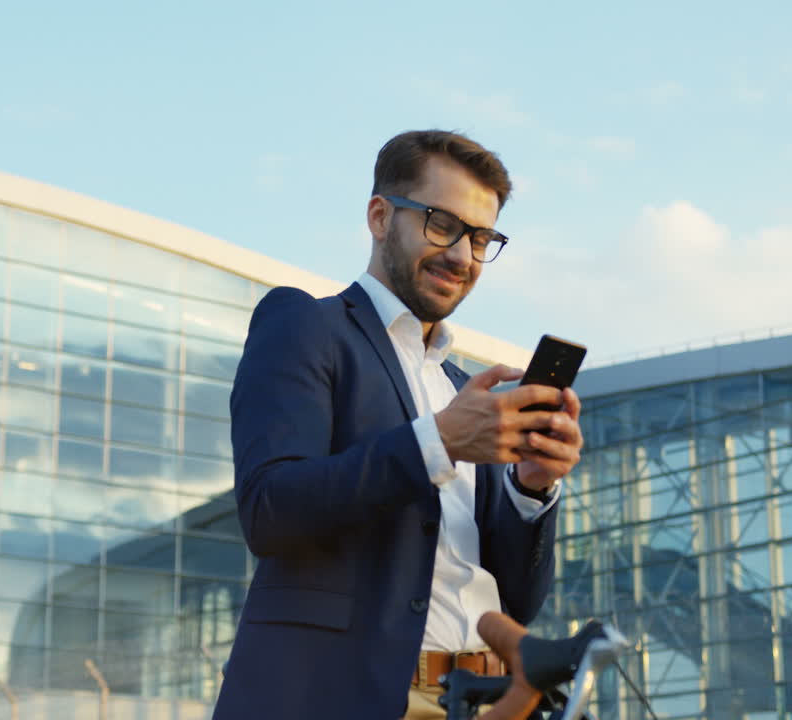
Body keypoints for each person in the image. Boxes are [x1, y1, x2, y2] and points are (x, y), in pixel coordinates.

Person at [212, 130, 584, 720]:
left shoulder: (466, 392)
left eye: (481, 238)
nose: (462, 255)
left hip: (488, 700)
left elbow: (519, 599)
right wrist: (437, 442)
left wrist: (531, 487)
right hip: (347, 698)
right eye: (441, 223)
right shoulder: (305, 327)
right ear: (381, 217)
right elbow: (269, 510)